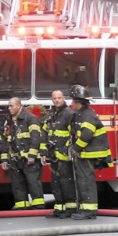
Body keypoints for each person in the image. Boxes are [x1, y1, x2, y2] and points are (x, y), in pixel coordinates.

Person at [68, 84, 113, 220]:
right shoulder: (81, 114)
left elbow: (86, 135)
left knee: (86, 180)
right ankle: (85, 208)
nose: (71, 104)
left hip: (89, 153)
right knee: (83, 180)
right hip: (86, 153)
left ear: (78, 102)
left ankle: (89, 211)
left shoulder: (87, 115)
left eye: (73, 101)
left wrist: (75, 149)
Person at [0, 97, 45, 210]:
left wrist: (32, 155)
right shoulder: (8, 121)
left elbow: (36, 138)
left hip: (29, 159)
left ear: (19, 105)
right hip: (15, 159)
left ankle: (38, 205)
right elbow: (5, 141)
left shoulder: (30, 118)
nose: (9, 108)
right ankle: (21, 205)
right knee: (17, 184)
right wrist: (4, 159)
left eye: (12, 106)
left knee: (33, 182)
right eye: (9, 106)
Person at [44, 89, 78, 219]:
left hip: (65, 156)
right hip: (54, 155)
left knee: (66, 182)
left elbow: (73, 135)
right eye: (54, 98)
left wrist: (69, 150)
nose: (57, 100)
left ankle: (70, 209)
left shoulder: (69, 114)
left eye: (59, 98)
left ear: (64, 98)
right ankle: (59, 208)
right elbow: (47, 132)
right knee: (55, 182)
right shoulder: (52, 113)